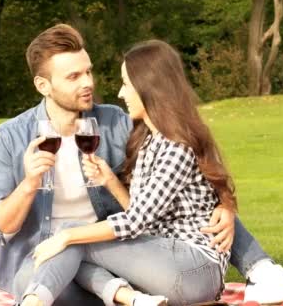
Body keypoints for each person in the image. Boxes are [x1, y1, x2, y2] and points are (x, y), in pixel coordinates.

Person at [0, 24, 283, 305]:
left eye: (88, 71)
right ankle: (128, 298)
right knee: (35, 277)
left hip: (124, 251)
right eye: (73, 77)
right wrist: (28, 185)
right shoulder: (10, 138)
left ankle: (262, 268)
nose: (89, 83)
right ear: (43, 85)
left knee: (66, 252)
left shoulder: (114, 121)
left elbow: (185, 147)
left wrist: (224, 202)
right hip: (54, 260)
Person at [17, 39, 235, 306]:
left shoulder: (176, 147)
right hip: (168, 261)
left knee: (71, 237)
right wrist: (110, 181)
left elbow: (135, 221)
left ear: (148, 88)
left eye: (126, 85)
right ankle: (130, 299)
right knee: (72, 244)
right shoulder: (150, 141)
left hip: (194, 271)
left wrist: (65, 235)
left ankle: (33, 302)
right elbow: (144, 213)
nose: (120, 94)